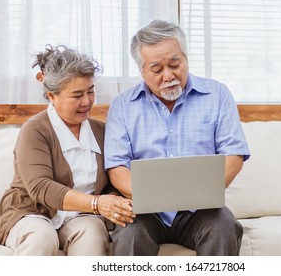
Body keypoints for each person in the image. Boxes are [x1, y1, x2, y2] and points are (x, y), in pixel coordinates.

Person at [104, 20, 250, 256]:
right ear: (141, 71)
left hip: (200, 210)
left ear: (186, 58)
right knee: (129, 233)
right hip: (145, 211)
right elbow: (116, 166)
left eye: (175, 64)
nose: (169, 76)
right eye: (157, 69)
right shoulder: (123, 105)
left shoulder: (217, 95)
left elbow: (234, 155)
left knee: (223, 225)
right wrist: (153, 197)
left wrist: (200, 192)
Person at [0, 44, 135, 256]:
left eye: (90, 92)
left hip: (80, 216)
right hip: (30, 214)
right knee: (42, 235)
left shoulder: (101, 131)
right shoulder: (35, 130)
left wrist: (115, 201)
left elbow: (110, 183)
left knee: (93, 233)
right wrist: (96, 204)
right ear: (51, 96)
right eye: (76, 95)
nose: (86, 101)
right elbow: (40, 187)